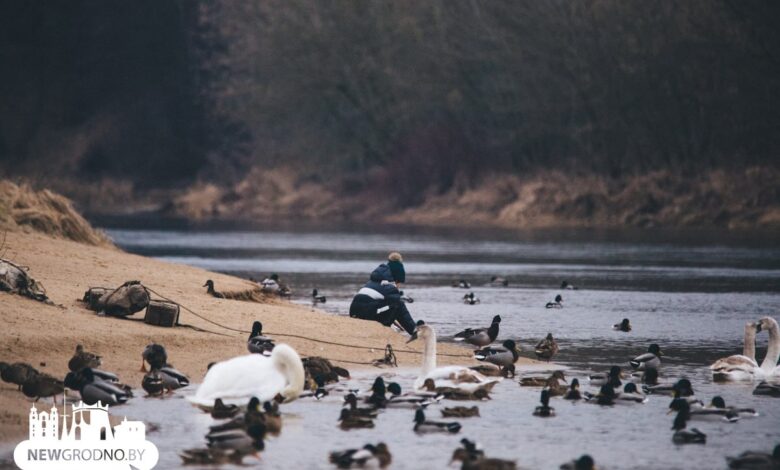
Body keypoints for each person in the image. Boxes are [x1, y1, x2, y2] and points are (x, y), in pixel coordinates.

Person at [349, 252, 418, 337]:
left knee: (390, 303)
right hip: (366, 316)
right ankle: (385, 329)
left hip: (353, 313)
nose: (399, 286)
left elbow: (379, 300)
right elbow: (403, 314)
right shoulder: (390, 288)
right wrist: (415, 332)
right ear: (396, 279)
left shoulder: (371, 282)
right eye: (399, 282)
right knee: (397, 303)